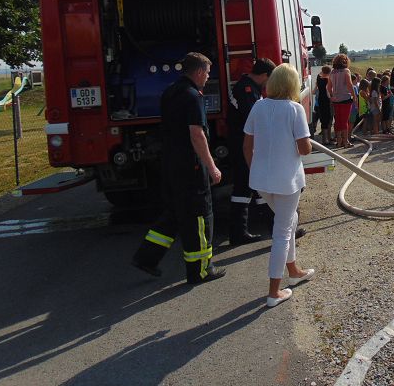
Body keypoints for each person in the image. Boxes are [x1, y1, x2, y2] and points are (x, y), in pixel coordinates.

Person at [131, 52, 226, 284]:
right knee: (200, 217)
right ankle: (201, 269)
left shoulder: (170, 92)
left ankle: (146, 257)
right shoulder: (193, 96)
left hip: (171, 165)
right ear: (200, 71)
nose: (208, 77)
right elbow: (197, 134)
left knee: (174, 214)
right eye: (208, 72)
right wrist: (211, 166)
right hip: (191, 167)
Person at [243, 64, 315, 307]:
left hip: (261, 179)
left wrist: (256, 169)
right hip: (286, 181)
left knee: (289, 220)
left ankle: (293, 270)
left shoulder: (258, 106)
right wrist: (308, 143)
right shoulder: (295, 110)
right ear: (292, 85)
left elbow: (247, 145)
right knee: (283, 231)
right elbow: (304, 149)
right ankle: (274, 292)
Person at [227, 58, 276, 246]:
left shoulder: (246, 87)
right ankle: (273, 228)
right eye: (269, 79)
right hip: (244, 145)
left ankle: (239, 232)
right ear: (264, 75)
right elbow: (255, 120)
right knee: (258, 184)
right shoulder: (247, 91)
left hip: (241, 144)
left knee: (244, 188)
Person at [327, 54, 355, 148]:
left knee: (338, 121)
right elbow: (349, 85)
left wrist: (331, 96)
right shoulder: (346, 71)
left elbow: (328, 87)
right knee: (344, 121)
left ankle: (338, 141)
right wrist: (354, 96)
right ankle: (346, 141)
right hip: (345, 99)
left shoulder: (332, 72)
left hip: (336, 100)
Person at [314, 65, 332, 144]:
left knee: (323, 120)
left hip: (320, 100)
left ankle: (325, 139)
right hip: (326, 101)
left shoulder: (318, 77)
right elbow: (329, 93)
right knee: (327, 120)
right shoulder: (327, 80)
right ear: (328, 72)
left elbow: (321, 73)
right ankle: (326, 139)